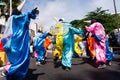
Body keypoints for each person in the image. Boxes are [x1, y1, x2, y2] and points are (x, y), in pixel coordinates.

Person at [0, 0, 39, 79]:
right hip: (19, 45)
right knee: (21, 61)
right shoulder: (17, 18)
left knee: (14, 61)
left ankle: (8, 71)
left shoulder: (12, 20)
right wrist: (32, 13)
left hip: (12, 45)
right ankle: (9, 71)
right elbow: (27, 15)